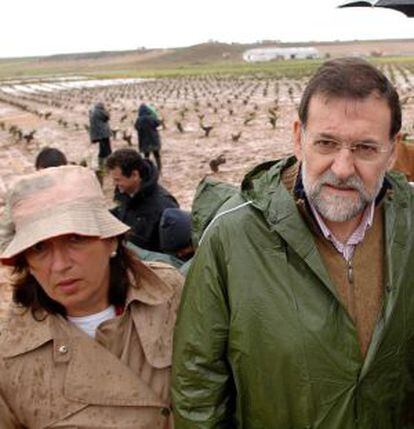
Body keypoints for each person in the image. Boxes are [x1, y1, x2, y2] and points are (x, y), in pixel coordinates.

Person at [172, 57, 414, 428]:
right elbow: (198, 385)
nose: (343, 168)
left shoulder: (410, 224)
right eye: (327, 143)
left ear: (393, 150)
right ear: (299, 138)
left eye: (365, 148)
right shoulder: (231, 236)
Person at [0, 165, 183, 428]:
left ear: (111, 241)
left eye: (75, 238)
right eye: (39, 247)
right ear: (26, 261)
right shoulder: (9, 359)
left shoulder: (169, 293)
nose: (60, 265)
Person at [106, 148, 179, 252]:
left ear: (135, 175)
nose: (114, 184)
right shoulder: (125, 193)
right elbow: (122, 214)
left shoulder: (164, 205)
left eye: (117, 180)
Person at [134, 103, 162, 171]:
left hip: (144, 140)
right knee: (156, 154)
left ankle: (148, 168)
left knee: (146, 155)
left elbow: (136, 127)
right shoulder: (151, 118)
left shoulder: (139, 119)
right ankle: (159, 168)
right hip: (153, 139)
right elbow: (158, 123)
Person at [89, 102, 112, 173]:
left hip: (98, 134)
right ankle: (107, 165)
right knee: (106, 150)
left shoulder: (93, 112)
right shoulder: (100, 112)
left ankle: (102, 165)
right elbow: (107, 116)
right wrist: (106, 110)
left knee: (103, 149)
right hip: (103, 134)